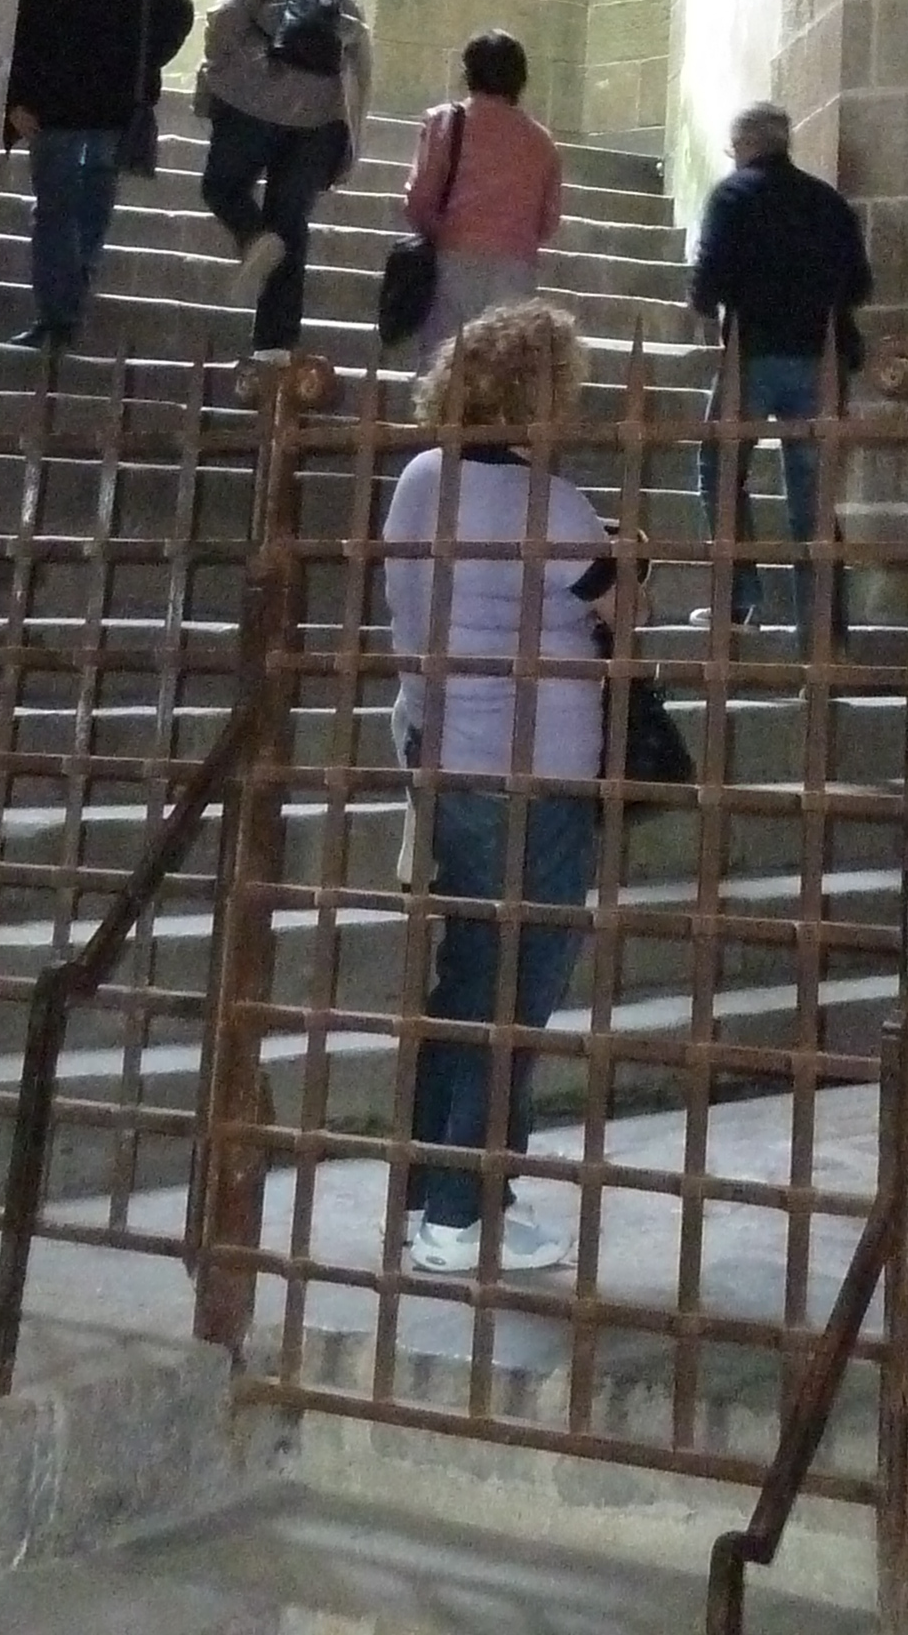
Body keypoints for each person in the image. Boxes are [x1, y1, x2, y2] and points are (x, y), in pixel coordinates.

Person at [380, 300, 613, 1275]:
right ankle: (458, 1213)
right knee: (513, 988)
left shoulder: (420, 478)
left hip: (444, 752)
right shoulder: (550, 504)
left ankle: (443, 1187)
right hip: (535, 771)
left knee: (472, 972)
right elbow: (617, 612)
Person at [688, 101, 868, 643]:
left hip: (754, 354)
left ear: (743, 146)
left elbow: (710, 275)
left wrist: (707, 307)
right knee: (812, 499)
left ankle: (740, 601)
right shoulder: (828, 203)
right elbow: (858, 283)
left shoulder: (732, 195)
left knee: (720, 471)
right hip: (819, 360)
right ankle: (821, 629)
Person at [3, 0, 195, 354]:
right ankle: (74, 300)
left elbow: (15, 33)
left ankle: (56, 314)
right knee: (94, 208)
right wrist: (146, 62)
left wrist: (15, 101)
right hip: (118, 109)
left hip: (52, 110)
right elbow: (180, 16)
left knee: (53, 211)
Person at [198, 0, 372, 350]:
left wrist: (219, 69)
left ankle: (254, 237)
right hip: (318, 122)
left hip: (252, 104)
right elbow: (360, 64)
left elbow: (225, 18)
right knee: (291, 224)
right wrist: (351, 137)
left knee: (222, 187)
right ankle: (275, 347)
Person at [402, 31, 565, 354]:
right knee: (503, 377)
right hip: (516, 269)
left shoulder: (443, 122)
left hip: (453, 259)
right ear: (520, 80)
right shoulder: (543, 143)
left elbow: (419, 199)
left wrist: (442, 231)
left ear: (468, 73)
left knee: (444, 372)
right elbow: (548, 222)